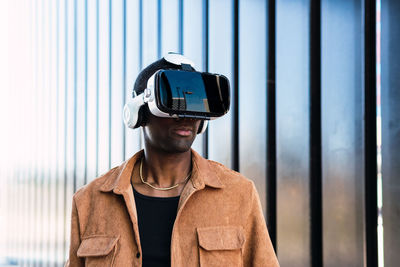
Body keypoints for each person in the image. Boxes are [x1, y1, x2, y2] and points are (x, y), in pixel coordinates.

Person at [65, 54, 279, 267]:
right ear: (138, 113)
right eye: (171, 102)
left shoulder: (239, 194)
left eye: (195, 103)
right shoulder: (89, 201)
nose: (186, 116)